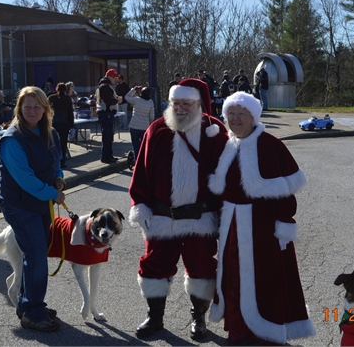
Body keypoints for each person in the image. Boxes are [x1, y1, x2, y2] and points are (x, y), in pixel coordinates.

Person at [208, 92, 316, 345]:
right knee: (233, 278)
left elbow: (287, 193)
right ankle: (237, 330)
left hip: (264, 227)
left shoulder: (271, 145)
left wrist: (284, 224)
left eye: (241, 114)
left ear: (253, 117)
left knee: (265, 278)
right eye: (230, 113)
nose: (235, 119)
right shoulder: (225, 143)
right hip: (231, 225)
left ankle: (267, 331)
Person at [129, 78, 228, 340]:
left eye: (187, 103)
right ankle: (155, 317)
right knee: (154, 266)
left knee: (202, 268)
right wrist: (140, 204)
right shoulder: (157, 130)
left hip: (201, 217)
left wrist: (225, 213)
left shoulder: (215, 131)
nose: (180, 108)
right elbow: (141, 171)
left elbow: (227, 175)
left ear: (199, 104)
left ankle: (199, 318)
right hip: (162, 217)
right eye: (176, 103)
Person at [0, 86, 65, 332]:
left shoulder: (51, 132)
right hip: (19, 204)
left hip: (41, 202)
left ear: (46, 109)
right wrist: (53, 193)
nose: (32, 111)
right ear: (19, 109)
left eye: (37, 106)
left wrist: (59, 179)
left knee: (36, 256)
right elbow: (24, 179)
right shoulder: (12, 139)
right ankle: (34, 313)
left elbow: (56, 162)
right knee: (36, 256)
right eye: (27, 107)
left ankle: (28, 305)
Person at [96, 69, 123, 164]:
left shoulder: (106, 86)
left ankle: (108, 155)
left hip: (106, 112)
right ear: (109, 76)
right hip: (106, 113)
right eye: (114, 77)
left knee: (108, 135)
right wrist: (117, 100)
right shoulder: (105, 86)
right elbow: (108, 100)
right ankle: (105, 156)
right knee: (107, 135)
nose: (115, 79)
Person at [124, 85, 155, 160]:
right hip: (144, 127)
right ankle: (142, 158)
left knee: (135, 144)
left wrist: (134, 90)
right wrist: (149, 123)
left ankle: (136, 159)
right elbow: (152, 117)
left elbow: (126, 97)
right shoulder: (150, 102)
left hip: (134, 125)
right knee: (143, 144)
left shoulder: (137, 100)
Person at [48, 83, 74, 168]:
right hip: (64, 122)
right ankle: (62, 161)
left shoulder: (51, 98)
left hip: (54, 122)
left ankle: (54, 160)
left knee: (53, 142)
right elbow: (70, 112)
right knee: (63, 143)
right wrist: (72, 124)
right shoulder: (67, 99)